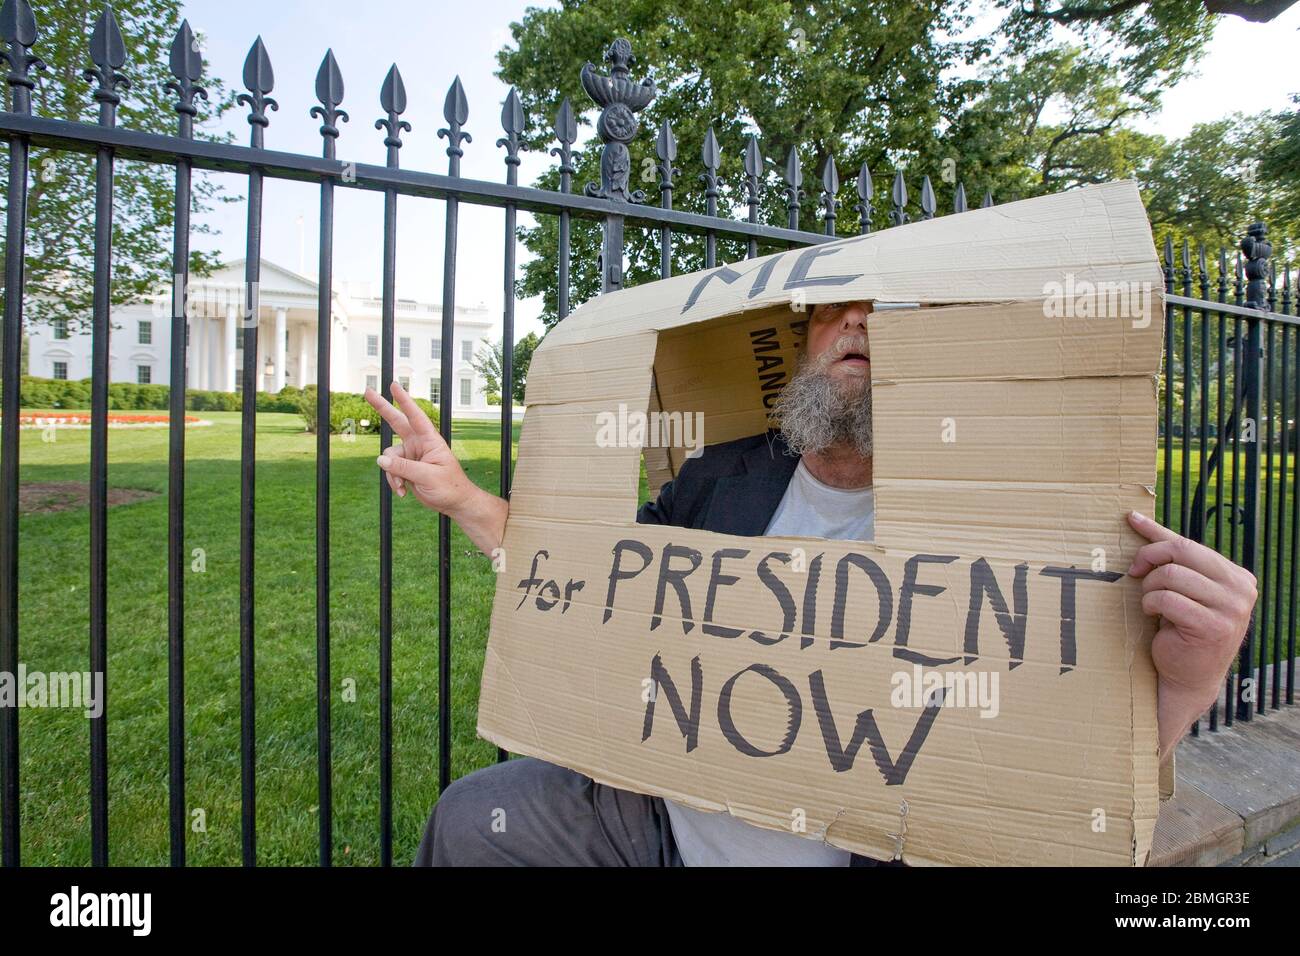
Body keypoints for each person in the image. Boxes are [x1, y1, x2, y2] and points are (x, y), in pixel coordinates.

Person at [363, 299, 1257, 867]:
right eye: (836, 312)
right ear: (803, 345)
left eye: (891, 313)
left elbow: (1068, 783)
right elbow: (596, 584)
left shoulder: (1009, 516)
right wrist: (467, 498)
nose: (859, 324)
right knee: (479, 816)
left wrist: (1190, 677)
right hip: (657, 823)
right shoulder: (721, 477)